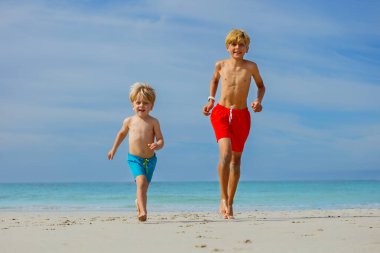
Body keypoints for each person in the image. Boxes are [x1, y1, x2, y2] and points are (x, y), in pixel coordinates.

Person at [203, 29, 265, 219]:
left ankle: (230, 203)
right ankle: (222, 197)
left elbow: (261, 86)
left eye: (241, 45)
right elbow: (214, 80)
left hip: (242, 115)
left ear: (247, 48)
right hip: (221, 113)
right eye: (234, 44)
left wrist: (258, 101)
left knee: (236, 161)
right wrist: (211, 99)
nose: (237, 47)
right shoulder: (220, 64)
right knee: (226, 153)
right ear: (228, 47)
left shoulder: (251, 67)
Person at [108, 82, 164, 222]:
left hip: (150, 160)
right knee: (141, 182)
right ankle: (143, 211)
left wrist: (157, 145)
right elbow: (121, 134)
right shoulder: (129, 121)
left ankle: (138, 204)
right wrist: (113, 149)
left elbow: (161, 140)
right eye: (138, 102)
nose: (141, 106)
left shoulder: (154, 122)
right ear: (132, 105)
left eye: (145, 103)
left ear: (151, 106)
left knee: (144, 187)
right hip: (135, 159)